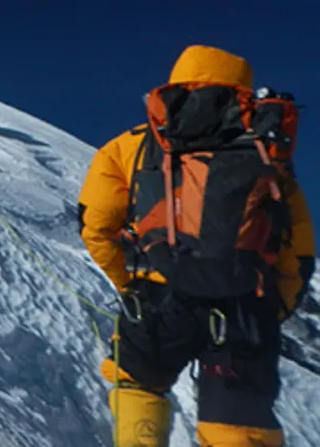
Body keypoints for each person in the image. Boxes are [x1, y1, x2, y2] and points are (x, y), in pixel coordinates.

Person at [76, 45, 314, 447]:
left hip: (161, 295)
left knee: (138, 385)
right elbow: (298, 250)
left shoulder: (127, 147)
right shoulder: (265, 150)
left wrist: (128, 285)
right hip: (244, 306)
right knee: (239, 431)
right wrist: (274, 308)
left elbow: (96, 226)